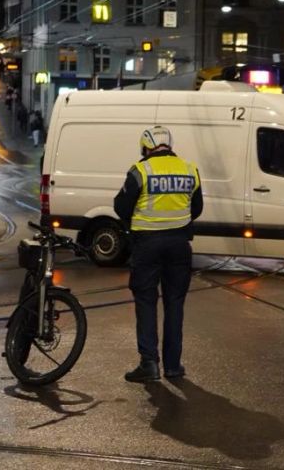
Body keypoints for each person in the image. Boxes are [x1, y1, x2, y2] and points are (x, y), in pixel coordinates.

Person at [114, 126, 203, 383]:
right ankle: (173, 366)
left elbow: (121, 207)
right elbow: (196, 208)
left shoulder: (140, 171)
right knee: (175, 304)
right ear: (170, 146)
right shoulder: (189, 170)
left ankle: (149, 364)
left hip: (147, 245)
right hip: (179, 245)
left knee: (146, 302)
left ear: (146, 148)